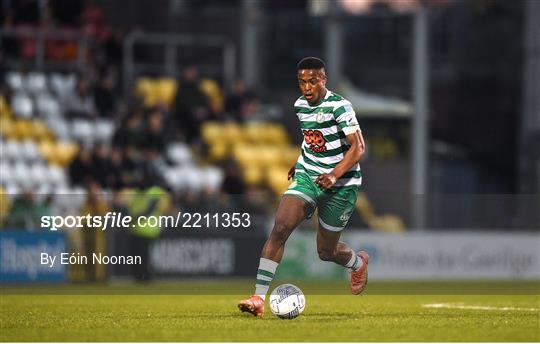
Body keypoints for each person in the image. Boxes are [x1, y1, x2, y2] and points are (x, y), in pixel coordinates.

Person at [238, 57, 369, 317]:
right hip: (308, 176)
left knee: (326, 251)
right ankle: (258, 298)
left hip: (341, 185)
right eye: (301, 82)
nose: (306, 87)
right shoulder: (300, 105)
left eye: (312, 81)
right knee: (281, 227)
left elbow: (359, 147)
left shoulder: (340, 106)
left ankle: (357, 262)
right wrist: (298, 162)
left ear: (324, 80)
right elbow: (311, 140)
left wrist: (333, 175)